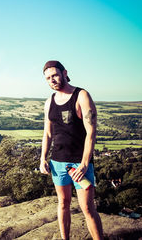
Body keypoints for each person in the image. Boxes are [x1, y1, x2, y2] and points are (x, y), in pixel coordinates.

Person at [39, 60, 103, 240]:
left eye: (55, 75)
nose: (52, 80)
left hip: (79, 163)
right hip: (57, 163)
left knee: (88, 209)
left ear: (64, 73)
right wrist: (43, 157)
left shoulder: (81, 95)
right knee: (63, 203)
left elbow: (91, 132)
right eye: (48, 78)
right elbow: (47, 133)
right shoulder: (49, 102)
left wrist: (84, 164)